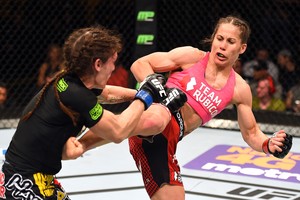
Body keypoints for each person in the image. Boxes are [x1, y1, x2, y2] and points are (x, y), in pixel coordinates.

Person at [66, 16, 293, 200]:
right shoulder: (191, 57)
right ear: (212, 39)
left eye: (230, 42)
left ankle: (86, 128)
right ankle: (75, 144)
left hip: (166, 144)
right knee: (155, 120)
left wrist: (267, 144)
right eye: (220, 38)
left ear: (241, 48)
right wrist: (158, 89)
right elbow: (140, 64)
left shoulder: (240, 89)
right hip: (152, 116)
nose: (222, 46)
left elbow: (251, 133)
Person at [0, 25, 186, 200]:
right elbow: (118, 131)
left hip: (22, 175)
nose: (113, 68)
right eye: (112, 62)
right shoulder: (78, 95)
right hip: (25, 182)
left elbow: (106, 93)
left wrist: (144, 94)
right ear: (98, 64)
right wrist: (146, 95)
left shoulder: (69, 80)